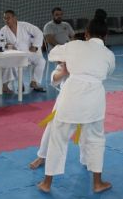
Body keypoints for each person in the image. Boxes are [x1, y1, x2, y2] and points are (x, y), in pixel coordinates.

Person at [38, 19, 115, 193]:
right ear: (106, 36)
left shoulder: (74, 45)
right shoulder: (109, 54)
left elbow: (51, 55)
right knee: (96, 139)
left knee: (58, 139)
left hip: (71, 97)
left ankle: (47, 183)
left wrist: (67, 62)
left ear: (86, 34)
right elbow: (108, 72)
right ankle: (97, 183)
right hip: (95, 99)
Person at [29, 62, 69, 169]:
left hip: (89, 96)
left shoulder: (97, 51)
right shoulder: (69, 52)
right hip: (67, 96)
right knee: (53, 125)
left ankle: (89, 159)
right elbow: (55, 79)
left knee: (88, 130)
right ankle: (42, 156)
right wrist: (64, 71)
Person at [0, 10, 46, 92]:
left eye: (8, 18)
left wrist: (35, 45)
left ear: (14, 18)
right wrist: (8, 46)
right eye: (5, 18)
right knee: (12, 64)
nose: (7, 20)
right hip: (15, 55)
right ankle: (20, 83)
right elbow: (1, 44)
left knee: (41, 61)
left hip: (29, 52)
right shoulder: (3, 30)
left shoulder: (25, 25)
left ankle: (34, 82)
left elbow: (39, 33)